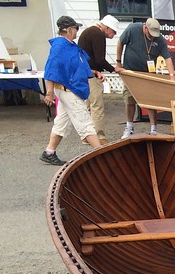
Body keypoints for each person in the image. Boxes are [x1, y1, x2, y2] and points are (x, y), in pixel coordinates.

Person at [40, 16, 102, 165]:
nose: (77, 32)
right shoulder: (60, 47)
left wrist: (92, 72)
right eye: (75, 29)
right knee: (84, 122)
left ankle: (49, 151)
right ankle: (103, 155)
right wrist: (49, 92)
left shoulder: (68, 45)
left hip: (67, 88)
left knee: (62, 122)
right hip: (68, 90)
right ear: (69, 30)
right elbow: (51, 69)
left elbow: (76, 66)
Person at [115, 18, 175, 138]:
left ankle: (154, 129)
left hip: (148, 74)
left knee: (150, 100)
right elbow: (120, 42)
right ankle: (129, 127)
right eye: (151, 34)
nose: (153, 37)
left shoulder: (160, 40)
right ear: (145, 28)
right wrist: (118, 62)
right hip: (130, 71)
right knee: (129, 98)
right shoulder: (133, 29)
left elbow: (167, 58)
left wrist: (172, 76)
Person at [76, 15, 118, 142]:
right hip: (92, 74)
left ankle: (86, 136)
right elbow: (100, 59)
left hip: (82, 72)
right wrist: (113, 69)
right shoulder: (98, 34)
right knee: (97, 105)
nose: (113, 35)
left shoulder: (88, 32)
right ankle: (99, 137)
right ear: (106, 27)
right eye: (113, 32)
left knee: (86, 105)